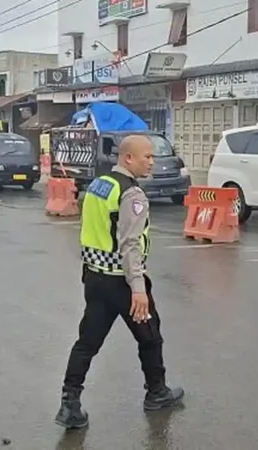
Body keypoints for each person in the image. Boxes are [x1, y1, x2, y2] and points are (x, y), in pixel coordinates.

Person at [55, 134, 184, 430]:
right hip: (123, 283)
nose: (151, 163)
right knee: (150, 337)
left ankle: (69, 403)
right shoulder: (132, 194)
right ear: (128, 158)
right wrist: (138, 289)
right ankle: (157, 393)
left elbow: (92, 229)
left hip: (95, 277)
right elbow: (130, 244)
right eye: (147, 157)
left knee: (87, 342)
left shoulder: (99, 185)